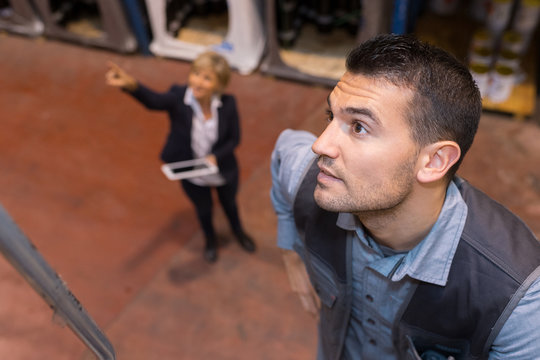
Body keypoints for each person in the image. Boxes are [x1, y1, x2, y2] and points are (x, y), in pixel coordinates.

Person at [271, 34, 540, 359]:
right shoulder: (309, 176)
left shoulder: (516, 300)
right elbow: (284, 152)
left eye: (358, 127)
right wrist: (289, 252)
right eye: (332, 117)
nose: (321, 146)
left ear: (434, 161)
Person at [105, 51, 255, 263]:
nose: (197, 81)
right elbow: (154, 101)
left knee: (230, 204)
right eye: (195, 73)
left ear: (219, 85)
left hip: (221, 170)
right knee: (203, 210)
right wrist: (131, 85)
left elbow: (234, 139)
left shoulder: (228, 104)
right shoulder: (178, 97)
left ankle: (239, 233)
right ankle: (210, 241)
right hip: (191, 172)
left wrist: (215, 157)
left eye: (207, 78)